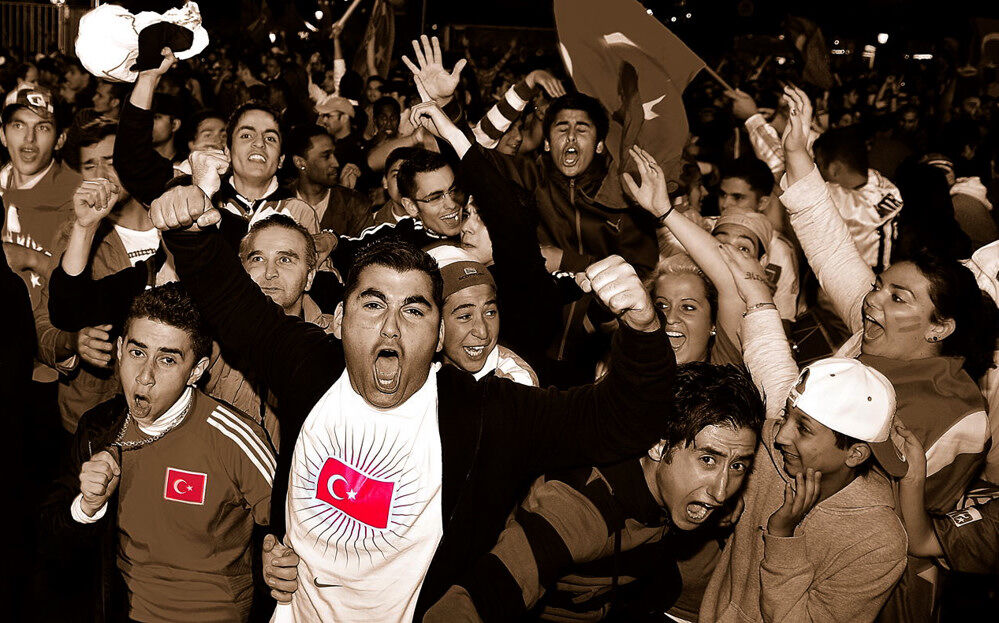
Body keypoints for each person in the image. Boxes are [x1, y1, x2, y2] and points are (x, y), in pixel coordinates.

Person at [150, 180, 676, 621]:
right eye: (373, 304)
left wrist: (642, 328)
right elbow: (231, 301)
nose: (391, 328)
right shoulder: (308, 367)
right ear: (340, 319)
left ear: (440, 332)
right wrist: (189, 229)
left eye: (414, 310)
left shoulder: (486, 414)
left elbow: (622, 420)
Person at [779, 85, 996, 621]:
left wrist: (762, 318)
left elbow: (857, 484)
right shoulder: (879, 328)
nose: (872, 300)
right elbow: (832, 250)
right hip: (793, 539)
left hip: (874, 583)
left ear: (940, 327)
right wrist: (798, 155)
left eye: (898, 297)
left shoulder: (955, 411)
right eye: (879, 285)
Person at [422, 362, 763, 621]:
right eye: (708, 460)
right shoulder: (582, 508)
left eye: (737, 466)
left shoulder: (680, 494)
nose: (721, 491)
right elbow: (472, 601)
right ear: (659, 447)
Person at [41, 283, 274, 623]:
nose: (145, 377)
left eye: (167, 360)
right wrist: (87, 506)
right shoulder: (98, 429)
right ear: (120, 350)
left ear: (196, 371)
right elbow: (51, 550)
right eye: (138, 353)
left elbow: (294, 526)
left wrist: (279, 557)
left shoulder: (234, 436)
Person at [0, 85, 80, 282]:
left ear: (59, 139)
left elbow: (90, 288)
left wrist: (32, 259)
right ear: (2, 135)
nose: (29, 138)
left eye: (42, 127)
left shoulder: (78, 198)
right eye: (18, 125)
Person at [427, 245, 538, 385]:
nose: (482, 332)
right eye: (465, 316)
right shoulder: (412, 371)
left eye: (490, 313)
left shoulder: (515, 380)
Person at [286, 125, 373, 236]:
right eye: (326, 156)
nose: (335, 163)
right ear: (300, 162)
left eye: (334, 155)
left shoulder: (355, 205)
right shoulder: (279, 203)